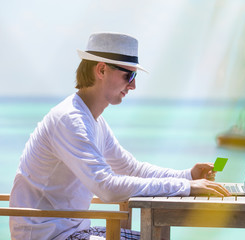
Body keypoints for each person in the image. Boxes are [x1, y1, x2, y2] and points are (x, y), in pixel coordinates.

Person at [9, 32, 230, 240]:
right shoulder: (70, 120)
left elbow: (132, 169)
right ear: (102, 70)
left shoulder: (93, 121)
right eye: (129, 75)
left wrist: (188, 176)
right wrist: (186, 188)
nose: (133, 85)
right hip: (49, 235)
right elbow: (107, 187)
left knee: (158, 236)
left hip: (71, 229)